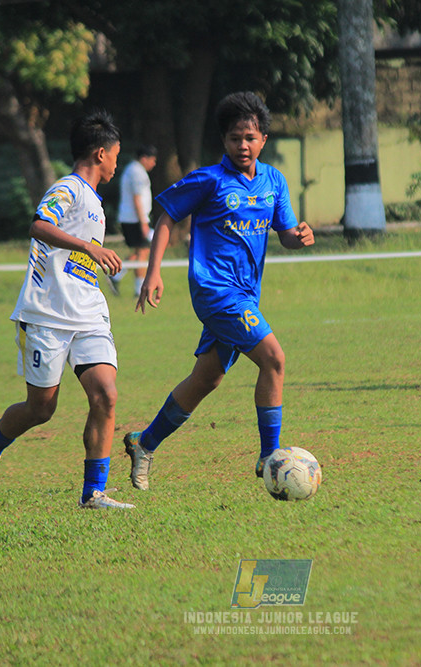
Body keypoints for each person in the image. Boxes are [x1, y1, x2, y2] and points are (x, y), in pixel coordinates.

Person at [122, 91, 315, 490]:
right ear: (224, 141)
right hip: (215, 291)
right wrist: (154, 271)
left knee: (206, 379)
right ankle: (270, 458)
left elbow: (286, 235)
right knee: (274, 359)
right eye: (234, 138)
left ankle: (144, 442)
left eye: (250, 137)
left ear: (263, 139)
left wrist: (301, 235)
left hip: (246, 295)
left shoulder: (273, 181)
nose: (242, 145)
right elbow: (165, 218)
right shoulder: (210, 180)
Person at [0, 110, 134, 509]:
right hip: (46, 315)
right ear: (100, 154)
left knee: (106, 395)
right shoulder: (69, 188)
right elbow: (39, 225)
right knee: (41, 408)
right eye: (116, 154)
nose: (117, 163)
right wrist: (90, 248)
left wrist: (98, 265)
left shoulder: (95, 202)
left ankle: (93, 493)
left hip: (88, 314)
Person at [109, 144, 158, 296]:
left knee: (141, 253)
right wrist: (143, 222)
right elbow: (137, 199)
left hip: (132, 218)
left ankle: (124, 280)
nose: (154, 164)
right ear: (144, 158)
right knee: (143, 253)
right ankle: (131, 285)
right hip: (135, 219)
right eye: (152, 160)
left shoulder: (133, 169)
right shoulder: (137, 172)